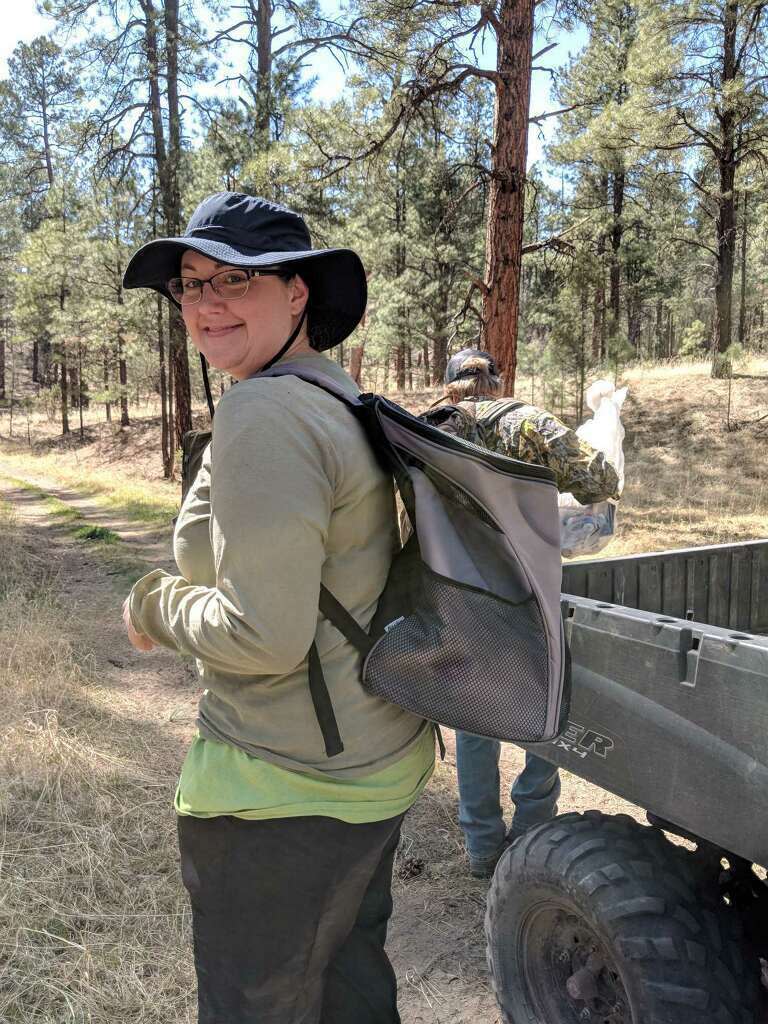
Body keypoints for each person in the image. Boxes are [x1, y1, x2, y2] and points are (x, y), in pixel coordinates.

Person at [120, 192, 435, 1024]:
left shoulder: (264, 409)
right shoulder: (334, 392)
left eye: (236, 280)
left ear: (298, 293)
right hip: (376, 762)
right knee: (347, 990)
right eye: (190, 284)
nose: (206, 302)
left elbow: (261, 636)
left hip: (286, 793)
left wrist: (155, 606)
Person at [427, 348, 621, 878]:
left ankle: (483, 847)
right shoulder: (529, 423)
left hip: (456, 591)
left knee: (475, 721)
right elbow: (600, 482)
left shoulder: (424, 430)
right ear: (498, 380)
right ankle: (533, 828)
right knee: (545, 707)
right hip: (529, 590)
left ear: (449, 386)